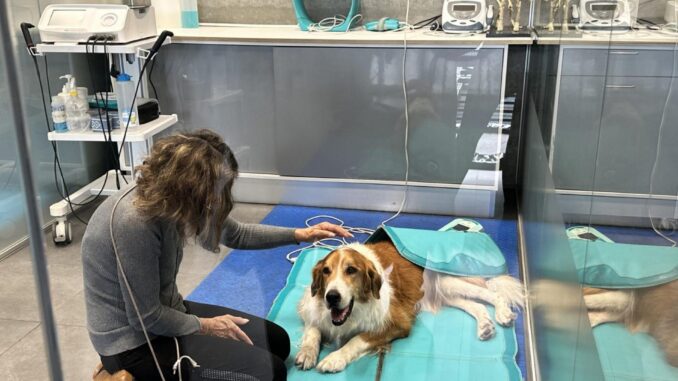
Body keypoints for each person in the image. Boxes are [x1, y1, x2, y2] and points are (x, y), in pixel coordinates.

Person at [82, 129, 350, 381]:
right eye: (214, 193)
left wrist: (300, 234)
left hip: (168, 312)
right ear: (191, 188)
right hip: (133, 344)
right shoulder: (134, 223)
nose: (217, 201)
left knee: (277, 342)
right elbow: (147, 317)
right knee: (270, 373)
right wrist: (206, 326)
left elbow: (237, 234)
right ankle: (117, 375)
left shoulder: (171, 198)